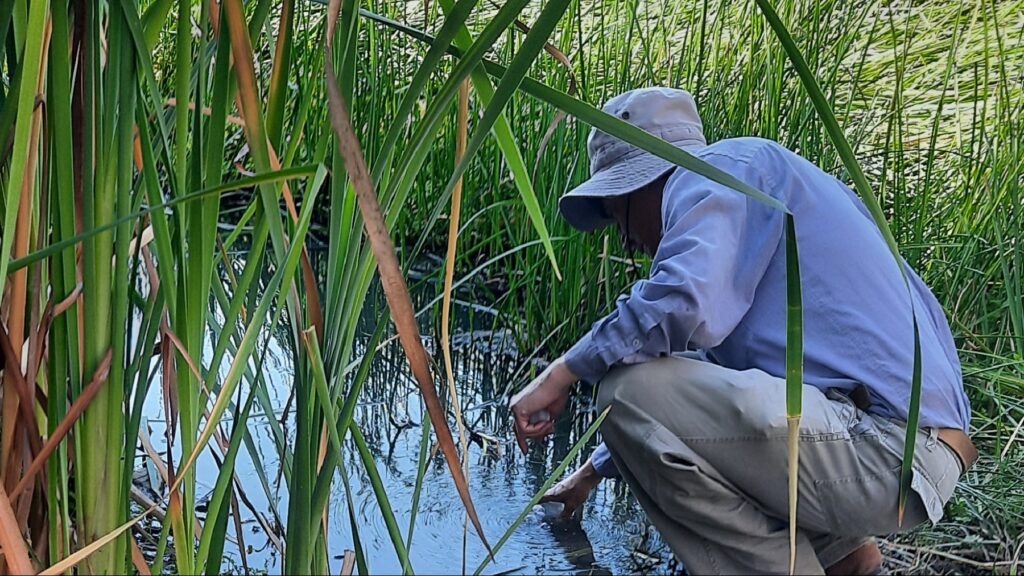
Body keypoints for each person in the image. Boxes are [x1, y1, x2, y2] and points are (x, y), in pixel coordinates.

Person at [509, 87, 976, 575]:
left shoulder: (717, 172)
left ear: (645, 182)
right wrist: (592, 472)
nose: (625, 240)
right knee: (664, 381)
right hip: (905, 454)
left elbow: (678, 301)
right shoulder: (757, 189)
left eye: (615, 212)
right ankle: (847, 563)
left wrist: (563, 372)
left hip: (883, 452)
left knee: (621, 390)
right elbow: (710, 395)